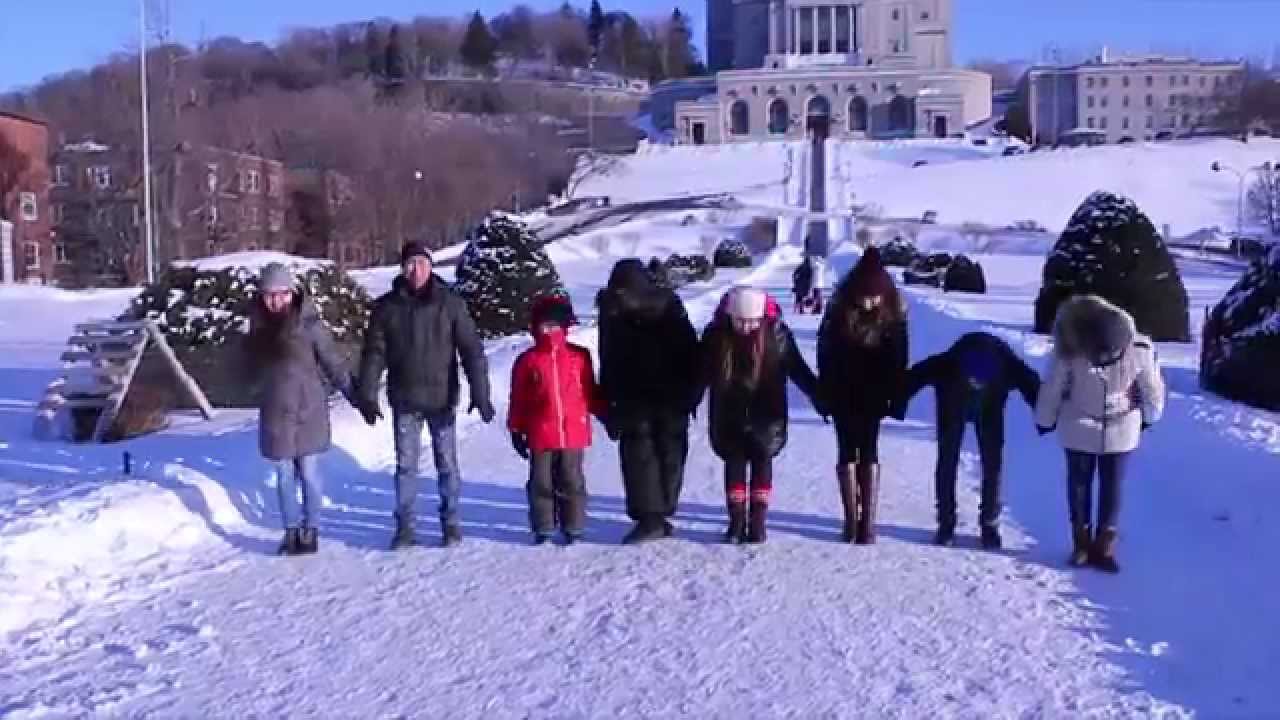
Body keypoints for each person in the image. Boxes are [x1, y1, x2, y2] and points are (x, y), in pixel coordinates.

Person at [358, 242, 495, 550]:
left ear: (430, 266)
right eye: (409, 264)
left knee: (446, 463)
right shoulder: (387, 308)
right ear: (402, 268)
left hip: (441, 398)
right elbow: (374, 353)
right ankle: (405, 525)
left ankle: (451, 521)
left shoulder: (450, 304)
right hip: (405, 399)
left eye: (421, 263)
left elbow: (472, 351)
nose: (415, 269)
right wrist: (367, 393)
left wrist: (481, 392)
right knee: (406, 466)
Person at [1034, 294, 1165, 573]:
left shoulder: (1140, 348)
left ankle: (1105, 543)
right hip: (1079, 420)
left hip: (1122, 423)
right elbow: (1053, 387)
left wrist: (1151, 415)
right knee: (1079, 483)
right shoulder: (1068, 350)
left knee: (1113, 484)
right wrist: (1045, 418)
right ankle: (1081, 542)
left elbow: (1152, 387)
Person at [697, 286, 823, 544]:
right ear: (730, 315)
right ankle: (736, 522)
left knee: (762, 461)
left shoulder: (777, 335)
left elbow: (798, 369)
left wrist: (819, 397)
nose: (746, 327)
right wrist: (687, 399)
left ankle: (758, 523)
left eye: (753, 321)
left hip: (767, 412)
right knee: (734, 463)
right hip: (728, 411)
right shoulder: (716, 335)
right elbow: (698, 372)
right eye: (740, 321)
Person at [247, 263, 357, 556]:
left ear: (291, 293)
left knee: (309, 474)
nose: (275, 301)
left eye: (281, 294)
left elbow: (332, 360)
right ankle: (291, 531)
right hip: (275, 412)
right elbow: (247, 368)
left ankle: (311, 529)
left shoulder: (309, 324)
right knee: (283, 477)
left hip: (309, 410)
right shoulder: (257, 328)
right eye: (269, 295)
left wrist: (354, 394)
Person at [901, 332, 1041, 549]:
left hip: (990, 408)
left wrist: (1047, 418)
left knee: (992, 463)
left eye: (980, 383)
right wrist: (893, 403)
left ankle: (989, 524)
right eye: (972, 382)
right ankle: (946, 523)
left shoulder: (1009, 367)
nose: (976, 385)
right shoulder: (945, 366)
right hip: (953, 404)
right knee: (947, 459)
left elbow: (1034, 389)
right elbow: (912, 380)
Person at [596, 259, 700, 544]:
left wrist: (608, 400)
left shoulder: (618, 308)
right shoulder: (661, 303)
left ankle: (654, 514)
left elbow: (609, 356)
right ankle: (656, 512)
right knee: (661, 450)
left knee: (649, 452)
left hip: (647, 393)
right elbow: (690, 348)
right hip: (657, 393)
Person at [817, 246, 908, 544]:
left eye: (875, 297)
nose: (869, 302)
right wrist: (825, 389)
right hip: (842, 390)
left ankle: (867, 520)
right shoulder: (839, 310)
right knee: (846, 449)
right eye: (864, 297)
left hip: (874, 392)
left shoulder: (894, 314)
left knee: (869, 448)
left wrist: (895, 393)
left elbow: (899, 358)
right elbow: (825, 352)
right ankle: (850, 520)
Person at [508, 295, 604, 545]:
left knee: (572, 479)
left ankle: (574, 526)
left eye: (555, 326)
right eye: (544, 326)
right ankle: (545, 527)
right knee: (541, 481)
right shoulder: (528, 361)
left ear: (565, 327)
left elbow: (589, 390)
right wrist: (516, 428)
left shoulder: (579, 357)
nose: (550, 331)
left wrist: (605, 412)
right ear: (535, 327)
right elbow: (518, 398)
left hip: (573, 431)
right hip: (540, 432)